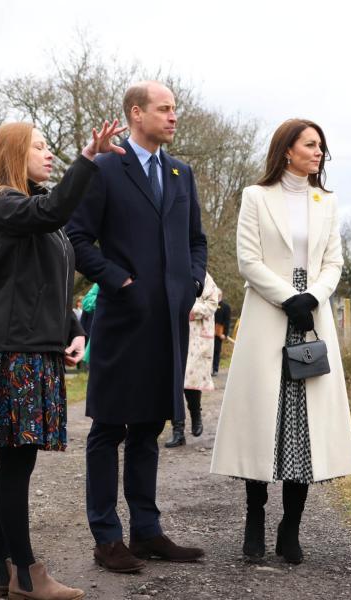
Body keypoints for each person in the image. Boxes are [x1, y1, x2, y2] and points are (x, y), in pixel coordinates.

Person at [0, 118, 125, 600]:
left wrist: (74, 329)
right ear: (14, 154)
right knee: (16, 464)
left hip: (34, 347)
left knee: (13, 463)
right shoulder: (5, 203)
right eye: (38, 147)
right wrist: (89, 158)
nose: (48, 153)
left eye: (49, 147)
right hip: (13, 350)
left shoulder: (33, 210)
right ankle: (27, 574)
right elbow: (54, 210)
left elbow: (48, 284)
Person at [66, 80, 208, 573]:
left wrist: (190, 281)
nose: (173, 117)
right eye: (164, 109)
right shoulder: (106, 168)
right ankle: (108, 539)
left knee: (148, 428)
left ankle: (147, 532)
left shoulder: (180, 172)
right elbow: (77, 237)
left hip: (168, 322)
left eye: (175, 109)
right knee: (109, 428)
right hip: (122, 320)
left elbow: (196, 240)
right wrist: (117, 280)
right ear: (136, 113)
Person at [210, 119, 351, 564]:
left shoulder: (326, 202)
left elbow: (334, 260)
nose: (319, 154)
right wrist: (288, 296)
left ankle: (290, 526)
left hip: (311, 316)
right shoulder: (256, 197)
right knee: (262, 418)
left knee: (304, 425)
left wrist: (313, 295)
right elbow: (248, 261)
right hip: (270, 314)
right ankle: (254, 517)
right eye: (311, 145)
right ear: (287, 150)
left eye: (322, 147)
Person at [165, 272, 220, 448]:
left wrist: (188, 308)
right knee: (175, 382)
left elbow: (212, 304)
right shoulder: (171, 271)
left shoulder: (204, 277)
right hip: (174, 333)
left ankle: (196, 414)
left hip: (197, 337)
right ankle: (178, 430)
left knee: (191, 382)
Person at [212, 291, 232, 376]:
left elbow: (227, 321)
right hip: (208, 331)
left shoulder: (226, 307)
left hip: (219, 332)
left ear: (220, 295)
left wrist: (225, 333)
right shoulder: (211, 304)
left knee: (216, 351)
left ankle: (215, 369)